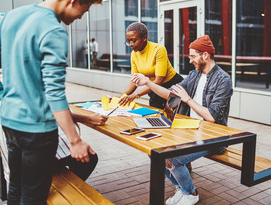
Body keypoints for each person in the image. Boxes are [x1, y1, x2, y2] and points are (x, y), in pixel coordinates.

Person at [0, 0, 103, 204]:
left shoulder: (11, 17)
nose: (79, 18)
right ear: (74, 0)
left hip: (9, 121)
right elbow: (54, 92)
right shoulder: (53, 30)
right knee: (34, 196)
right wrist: (75, 141)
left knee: (15, 187)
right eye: (83, 11)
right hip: (37, 131)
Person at [131, 35, 233, 205]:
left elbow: (212, 117)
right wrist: (148, 83)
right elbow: (171, 95)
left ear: (205, 55)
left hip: (213, 136)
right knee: (154, 152)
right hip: (188, 129)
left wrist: (187, 99)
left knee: (173, 159)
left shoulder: (223, 80)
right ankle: (181, 187)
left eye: (193, 56)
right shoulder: (194, 75)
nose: (190, 60)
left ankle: (190, 193)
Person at [0, 112, 108, 183]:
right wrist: (76, 140)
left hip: (10, 154)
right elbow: (55, 110)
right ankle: (72, 191)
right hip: (29, 155)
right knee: (88, 157)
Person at [118, 22, 183, 109]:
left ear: (144, 38)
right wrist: (120, 98)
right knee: (155, 115)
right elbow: (134, 81)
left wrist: (135, 95)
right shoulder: (134, 54)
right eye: (128, 41)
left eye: (133, 41)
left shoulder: (158, 49)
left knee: (176, 116)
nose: (130, 45)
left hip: (172, 85)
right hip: (153, 87)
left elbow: (159, 80)